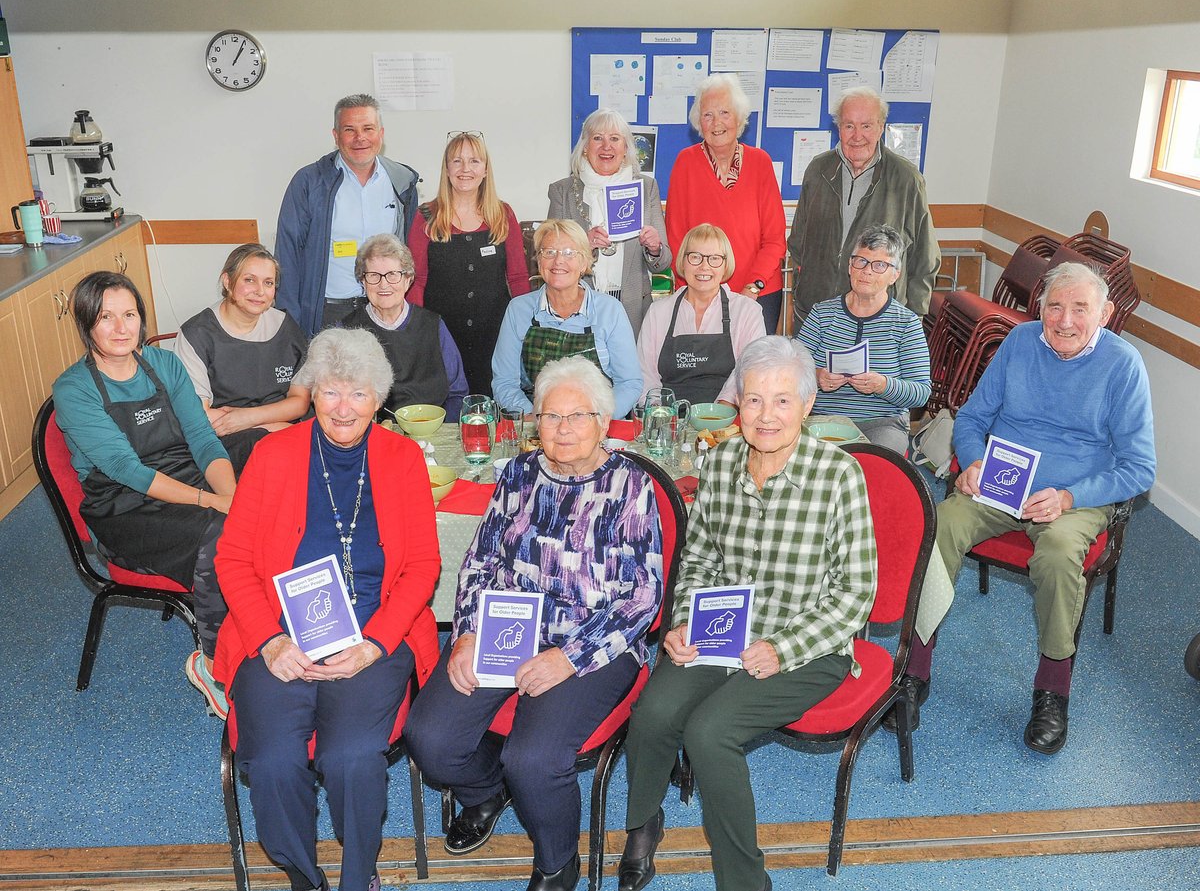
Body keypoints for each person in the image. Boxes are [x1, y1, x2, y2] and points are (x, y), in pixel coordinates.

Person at [618, 335, 876, 891]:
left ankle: (744, 882)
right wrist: (684, 622)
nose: (766, 415)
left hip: (808, 645)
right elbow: (700, 558)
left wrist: (782, 648)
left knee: (710, 732)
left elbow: (856, 594)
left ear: (808, 405)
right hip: (724, 630)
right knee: (654, 711)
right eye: (754, 400)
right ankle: (643, 823)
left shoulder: (839, 475)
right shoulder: (721, 460)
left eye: (783, 400)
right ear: (737, 402)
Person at [405, 355, 663, 891]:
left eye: (577, 416)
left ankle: (557, 863)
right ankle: (486, 790)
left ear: (603, 422)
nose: (563, 428)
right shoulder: (519, 474)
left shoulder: (629, 484)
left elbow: (643, 596)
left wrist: (568, 658)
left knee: (533, 758)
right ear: (535, 422)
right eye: (550, 416)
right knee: (430, 739)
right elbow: (480, 561)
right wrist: (467, 632)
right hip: (507, 627)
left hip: (592, 639)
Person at [893, 262, 1155, 755]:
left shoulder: (1123, 365)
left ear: (1105, 313)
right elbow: (972, 417)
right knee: (937, 527)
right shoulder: (1019, 342)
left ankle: (1052, 689)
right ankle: (914, 668)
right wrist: (972, 461)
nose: (1065, 320)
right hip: (1001, 484)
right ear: (1040, 308)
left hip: (1073, 496)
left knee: (1057, 554)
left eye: (1080, 309)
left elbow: (1139, 468)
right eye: (1054, 306)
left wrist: (1070, 497)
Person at [213, 328, 440, 891]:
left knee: (351, 757)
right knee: (271, 760)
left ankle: (359, 876)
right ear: (311, 392)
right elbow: (232, 559)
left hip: (373, 633)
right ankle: (304, 877)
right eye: (331, 391)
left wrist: (374, 644)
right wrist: (269, 640)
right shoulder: (271, 455)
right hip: (279, 633)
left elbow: (422, 567)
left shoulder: (403, 458)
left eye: (358, 394)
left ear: (378, 400)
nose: (343, 408)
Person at [52, 271, 236, 717]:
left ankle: (266, 639)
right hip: (122, 504)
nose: (121, 328)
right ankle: (214, 665)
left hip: (180, 473)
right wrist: (214, 503)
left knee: (265, 505)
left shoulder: (164, 364)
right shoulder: (74, 389)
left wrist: (232, 496)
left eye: (129, 314)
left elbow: (203, 439)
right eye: (106, 317)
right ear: (86, 324)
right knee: (223, 535)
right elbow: (126, 470)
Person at [788, 87, 940, 325]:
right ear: (839, 128)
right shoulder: (818, 170)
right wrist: (802, 289)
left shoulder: (907, 179)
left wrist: (912, 319)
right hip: (815, 315)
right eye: (849, 125)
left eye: (866, 125)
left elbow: (925, 258)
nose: (857, 136)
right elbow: (798, 243)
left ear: (881, 127)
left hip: (878, 321)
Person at [276, 94, 420, 337]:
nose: (360, 137)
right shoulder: (309, 183)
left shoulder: (402, 182)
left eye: (368, 129)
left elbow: (410, 254)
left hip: (383, 312)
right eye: (349, 130)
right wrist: (289, 322)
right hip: (327, 314)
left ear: (381, 134)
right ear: (335, 136)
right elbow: (287, 254)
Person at [407, 131, 532, 394]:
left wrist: (523, 329)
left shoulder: (502, 214)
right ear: (447, 169)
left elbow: (518, 278)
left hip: (494, 336)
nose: (465, 169)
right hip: (442, 336)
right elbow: (416, 281)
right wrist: (417, 331)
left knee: (491, 405)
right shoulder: (426, 216)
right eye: (457, 161)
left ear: (485, 170)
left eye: (474, 161)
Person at [666, 74, 786, 334]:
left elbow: (775, 240)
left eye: (724, 113)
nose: (716, 123)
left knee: (753, 360)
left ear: (739, 119)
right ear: (699, 122)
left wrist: (752, 288)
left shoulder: (761, 163)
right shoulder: (685, 163)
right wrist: (699, 288)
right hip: (702, 293)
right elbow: (677, 239)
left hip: (759, 292)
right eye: (708, 115)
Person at [795, 224, 931, 453]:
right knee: (808, 457)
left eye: (880, 265)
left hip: (882, 423)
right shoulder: (822, 314)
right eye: (861, 261)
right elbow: (793, 370)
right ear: (850, 267)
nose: (867, 271)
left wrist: (883, 385)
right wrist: (817, 376)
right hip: (823, 418)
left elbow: (921, 393)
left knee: (875, 462)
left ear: (894, 275)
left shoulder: (906, 323)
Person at [176, 243, 310, 470]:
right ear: (227, 282)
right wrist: (268, 428)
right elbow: (200, 417)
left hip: (282, 428)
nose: (260, 291)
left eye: (268, 283)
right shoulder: (196, 335)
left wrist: (250, 418)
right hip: (227, 439)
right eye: (249, 280)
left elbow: (300, 402)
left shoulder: (286, 327)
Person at [491, 219, 641, 418]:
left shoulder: (610, 310)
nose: (558, 261)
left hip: (597, 423)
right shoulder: (518, 310)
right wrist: (536, 419)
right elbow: (504, 383)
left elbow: (629, 383)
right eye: (549, 252)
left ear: (584, 262)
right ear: (539, 260)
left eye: (569, 253)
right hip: (536, 421)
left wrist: (598, 420)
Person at [548, 108, 671, 337]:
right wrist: (582, 245)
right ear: (585, 147)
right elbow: (548, 256)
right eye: (597, 138)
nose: (607, 146)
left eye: (615, 139)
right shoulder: (561, 192)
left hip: (632, 307)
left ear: (626, 148)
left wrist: (654, 248)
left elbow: (662, 264)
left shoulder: (647, 188)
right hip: (576, 305)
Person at [342, 234, 468, 420]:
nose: (383, 284)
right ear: (363, 281)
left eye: (392, 275)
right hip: (376, 429)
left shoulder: (433, 325)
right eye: (374, 276)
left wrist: (442, 428)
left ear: (408, 279)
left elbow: (457, 392)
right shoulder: (348, 331)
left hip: (435, 427)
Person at [637, 223, 766, 404]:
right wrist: (661, 413)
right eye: (695, 257)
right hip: (669, 414)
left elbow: (749, 371)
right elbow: (645, 375)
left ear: (725, 265)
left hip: (726, 415)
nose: (704, 266)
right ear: (683, 261)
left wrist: (720, 410)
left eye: (714, 258)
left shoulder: (747, 311)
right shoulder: (658, 312)